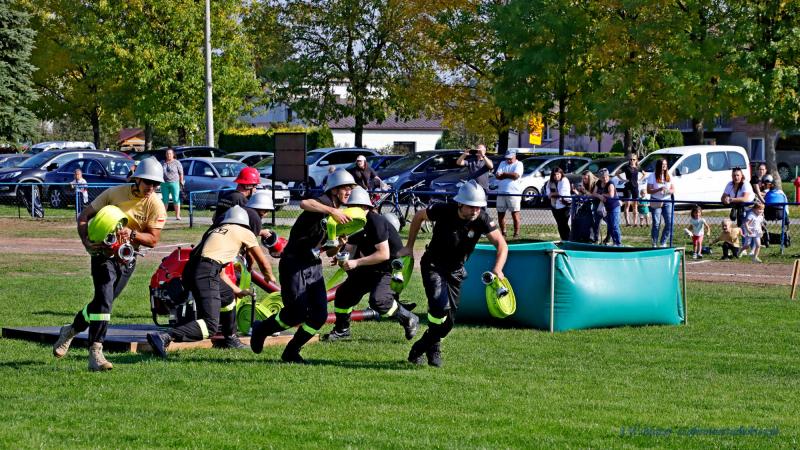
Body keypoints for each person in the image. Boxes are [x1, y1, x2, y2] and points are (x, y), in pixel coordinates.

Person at [52, 157, 167, 371]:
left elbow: (153, 240)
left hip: (127, 259)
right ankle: (96, 352)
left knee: (102, 303)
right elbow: (85, 215)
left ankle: (70, 330)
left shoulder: (156, 205)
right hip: (103, 255)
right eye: (148, 182)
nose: (151, 187)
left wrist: (132, 234)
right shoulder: (114, 193)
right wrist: (86, 241)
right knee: (104, 301)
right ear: (137, 179)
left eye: (155, 183)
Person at [249, 169, 357, 363]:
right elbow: (304, 203)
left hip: (313, 265)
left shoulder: (338, 213)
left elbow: (329, 252)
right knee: (296, 313)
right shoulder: (324, 202)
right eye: (345, 188)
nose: (349, 191)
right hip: (294, 263)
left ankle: (291, 352)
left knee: (319, 315)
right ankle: (262, 329)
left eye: (351, 188)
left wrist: (340, 242)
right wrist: (332, 211)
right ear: (334, 189)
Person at [400, 180, 508, 367]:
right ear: (460, 204)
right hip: (433, 265)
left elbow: (501, 244)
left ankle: (426, 344)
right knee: (439, 307)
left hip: (456, 270)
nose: (475, 211)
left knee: (448, 322)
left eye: (478, 207)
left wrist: (498, 268)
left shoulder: (482, 219)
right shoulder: (443, 210)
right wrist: (409, 246)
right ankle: (428, 348)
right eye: (471, 206)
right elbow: (418, 216)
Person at [146, 206, 277, 357]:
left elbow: (220, 273)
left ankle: (230, 338)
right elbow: (263, 262)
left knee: (227, 296)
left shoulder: (216, 231)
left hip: (194, 270)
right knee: (210, 325)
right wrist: (270, 277)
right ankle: (165, 337)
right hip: (205, 272)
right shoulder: (244, 231)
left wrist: (237, 291)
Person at [323, 187, 419, 342]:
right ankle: (342, 330)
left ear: (364, 207)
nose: (349, 210)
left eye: (353, 207)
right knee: (343, 295)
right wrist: (342, 257)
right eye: (349, 207)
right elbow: (349, 249)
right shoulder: (355, 223)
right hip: (369, 267)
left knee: (379, 301)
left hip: (388, 269)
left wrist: (356, 262)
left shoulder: (376, 222)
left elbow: (383, 254)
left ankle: (408, 318)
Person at [495, 149, 524, 238]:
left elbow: (515, 176)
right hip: (501, 192)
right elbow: (497, 176)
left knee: (515, 214)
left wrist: (504, 174)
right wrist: (508, 175)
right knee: (500, 214)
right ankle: (503, 233)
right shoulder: (502, 163)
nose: (508, 160)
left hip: (514, 193)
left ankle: (516, 234)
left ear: (515, 156)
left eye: (510, 158)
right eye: (507, 158)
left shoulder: (519, 164)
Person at [647, 158, 675, 247]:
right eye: (663, 164)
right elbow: (648, 190)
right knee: (656, 223)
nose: (664, 166)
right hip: (656, 200)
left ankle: (663, 242)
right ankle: (654, 243)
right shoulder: (652, 176)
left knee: (670, 223)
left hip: (667, 201)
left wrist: (668, 191)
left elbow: (673, 189)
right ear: (659, 165)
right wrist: (659, 189)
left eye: (666, 164)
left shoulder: (669, 175)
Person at [592, 168, 622, 246]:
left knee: (614, 225)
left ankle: (618, 243)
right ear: (600, 178)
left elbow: (611, 195)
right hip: (607, 207)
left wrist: (602, 194)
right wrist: (599, 196)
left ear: (608, 176)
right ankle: (614, 242)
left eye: (606, 176)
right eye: (603, 177)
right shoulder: (599, 183)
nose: (605, 178)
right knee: (610, 226)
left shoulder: (610, 183)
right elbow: (594, 193)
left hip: (614, 207)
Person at [571, 170, 600, 243]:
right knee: (581, 220)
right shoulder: (583, 184)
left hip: (596, 205)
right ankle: (582, 237)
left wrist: (585, 191)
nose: (584, 180)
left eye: (585, 178)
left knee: (595, 222)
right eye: (583, 178)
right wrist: (575, 191)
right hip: (587, 205)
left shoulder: (595, 184)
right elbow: (582, 195)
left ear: (590, 178)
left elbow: (593, 196)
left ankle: (595, 238)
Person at [543, 167, 571, 240]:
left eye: (558, 174)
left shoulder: (564, 180)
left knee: (564, 224)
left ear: (561, 174)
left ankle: (568, 239)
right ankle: (563, 239)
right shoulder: (550, 182)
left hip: (565, 206)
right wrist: (551, 194)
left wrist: (552, 194)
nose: (556, 176)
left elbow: (562, 193)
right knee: (559, 224)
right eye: (555, 175)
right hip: (554, 206)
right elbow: (548, 192)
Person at [618, 153, 642, 226]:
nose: (632, 161)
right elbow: (617, 173)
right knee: (627, 204)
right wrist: (623, 180)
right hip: (628, 187)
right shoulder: (626, 167)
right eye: (630, 159)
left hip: (635, 187)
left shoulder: (638, 167)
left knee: (635, 205)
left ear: (636, 160)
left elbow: (644, 174)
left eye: (633, 159)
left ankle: (635, 222)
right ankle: (627, 222)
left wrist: (640, 180)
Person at [161, 148, 184, 220]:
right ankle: (164, 215)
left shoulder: (177, 162)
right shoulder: (162, 163)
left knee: (176, 199)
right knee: (165, 200)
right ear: (165, 155)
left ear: (173, 154)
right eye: (167, 154)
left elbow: (181, 172)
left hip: (174, 183)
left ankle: (177, 216)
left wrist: (181, 181)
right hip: (164, 183)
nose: (168, 155)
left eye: (170, 154)